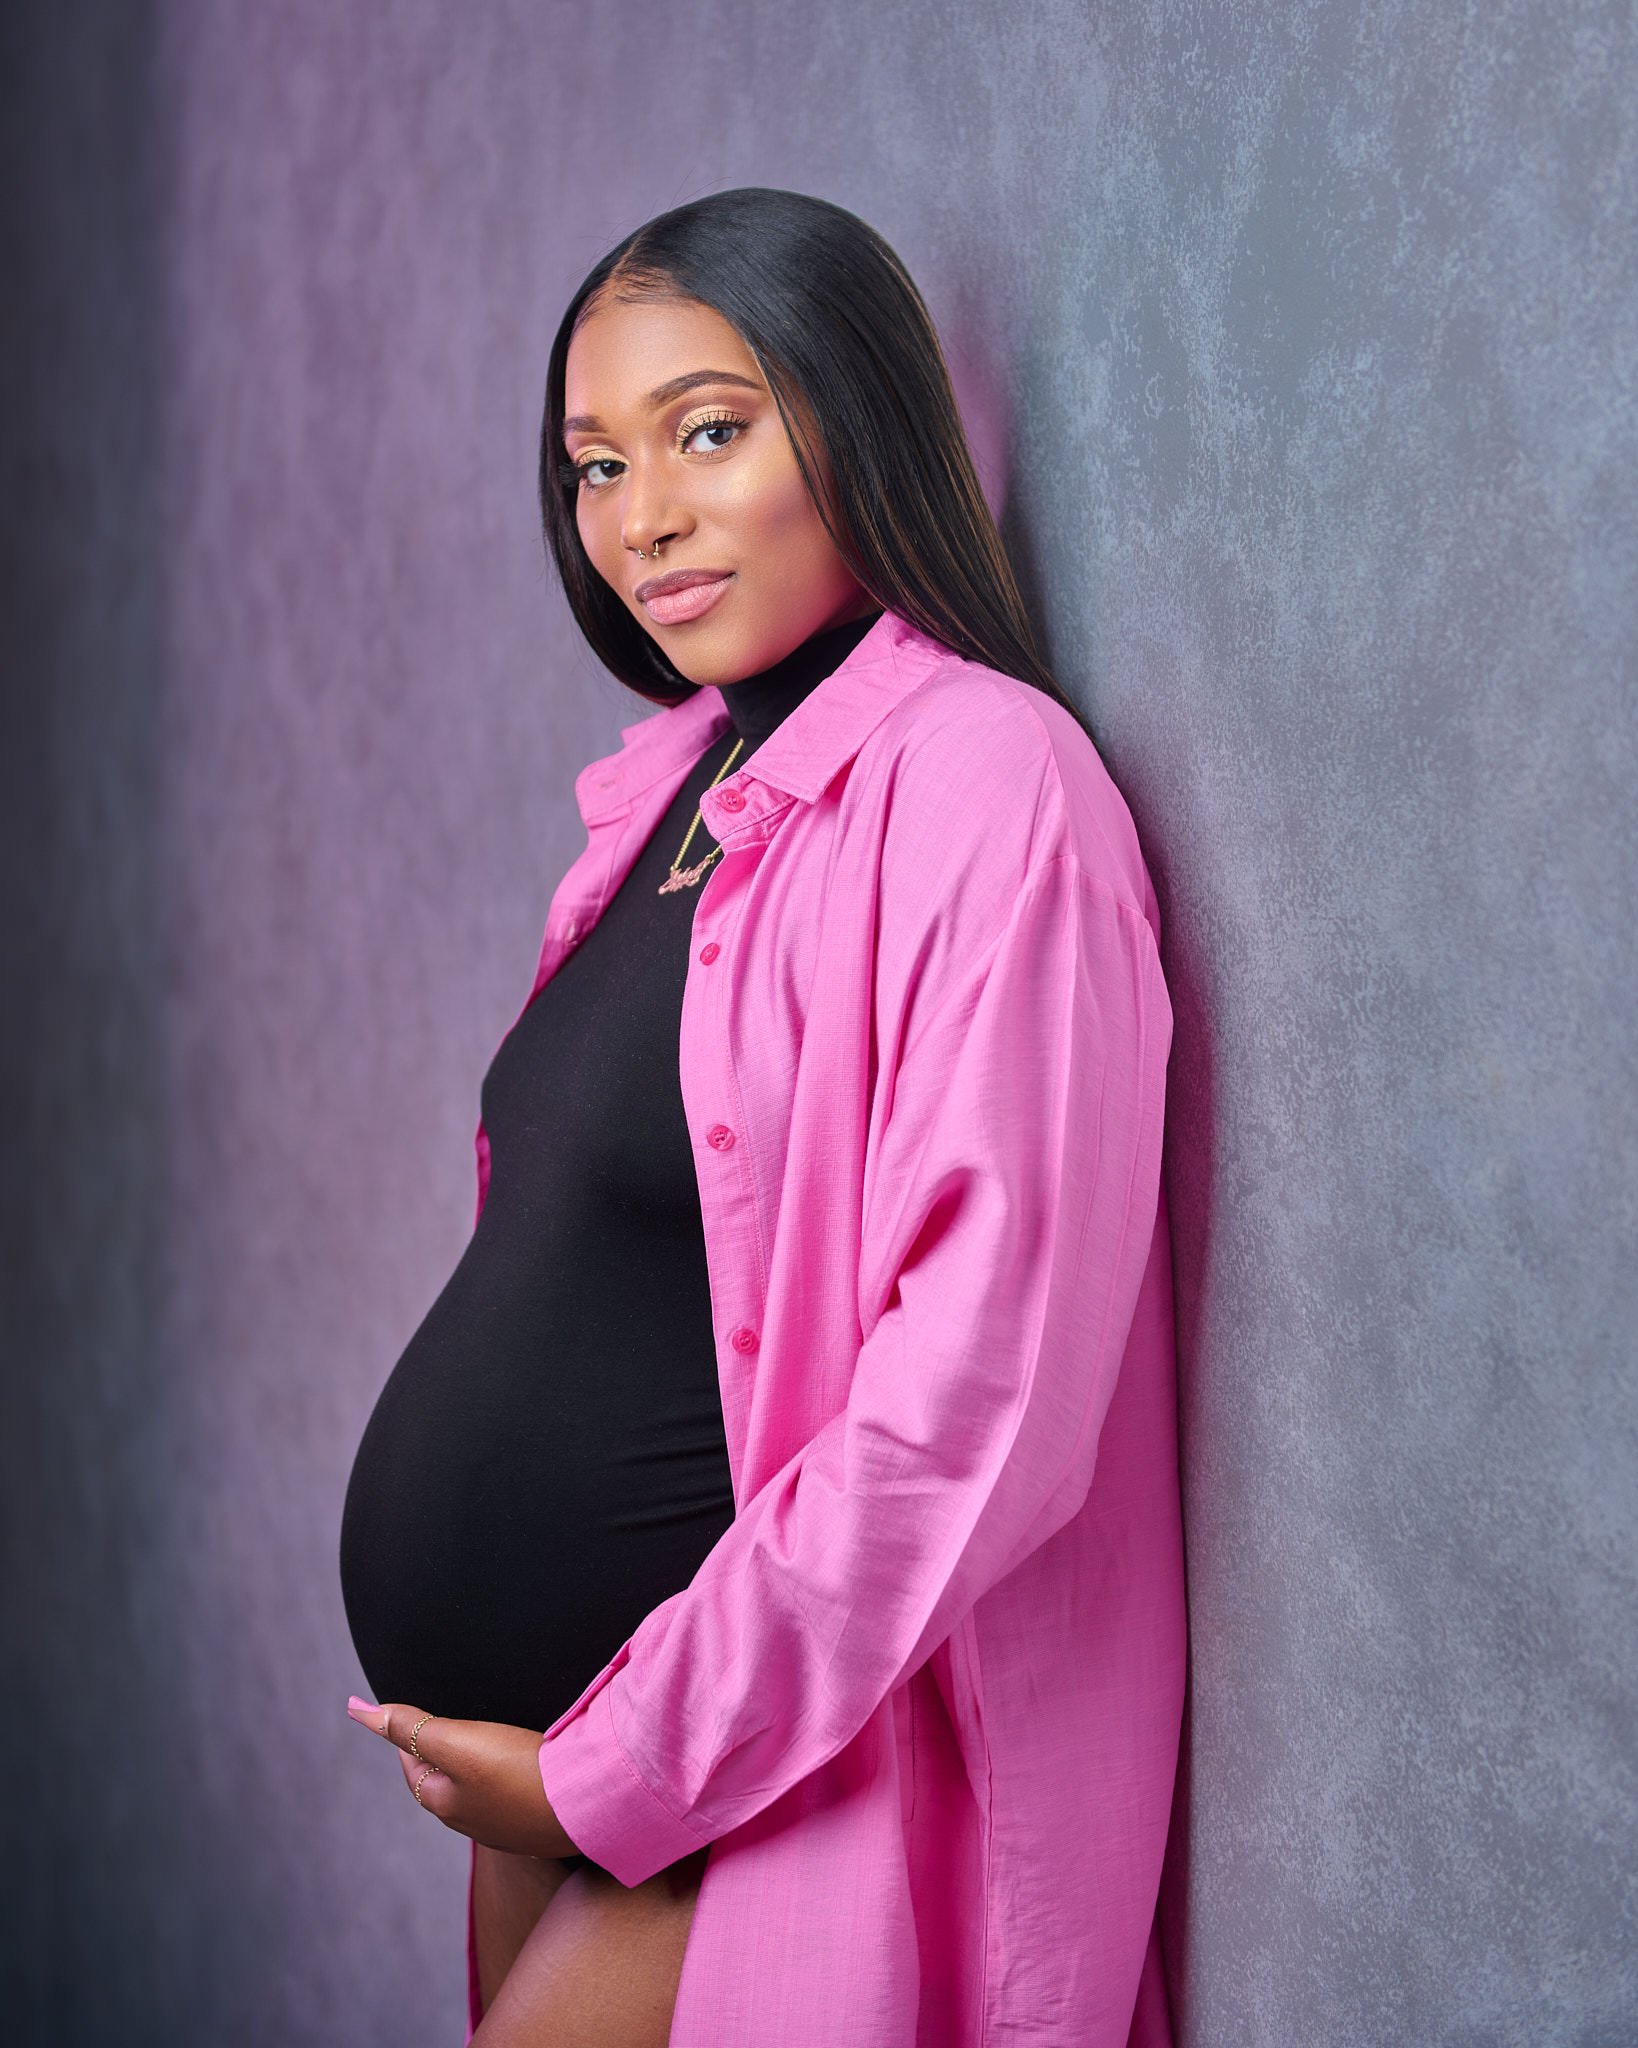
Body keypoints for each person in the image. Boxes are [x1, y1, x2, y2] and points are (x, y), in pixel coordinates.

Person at [338, 186, 1185, 2047]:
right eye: (595, 465)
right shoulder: (676, 793)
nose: (640, 515)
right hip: (564, 1777)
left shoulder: (989, 784)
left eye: (707, 432)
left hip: (774, 1785)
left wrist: (620, 1770)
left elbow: (975, 1405)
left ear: (856, 417)